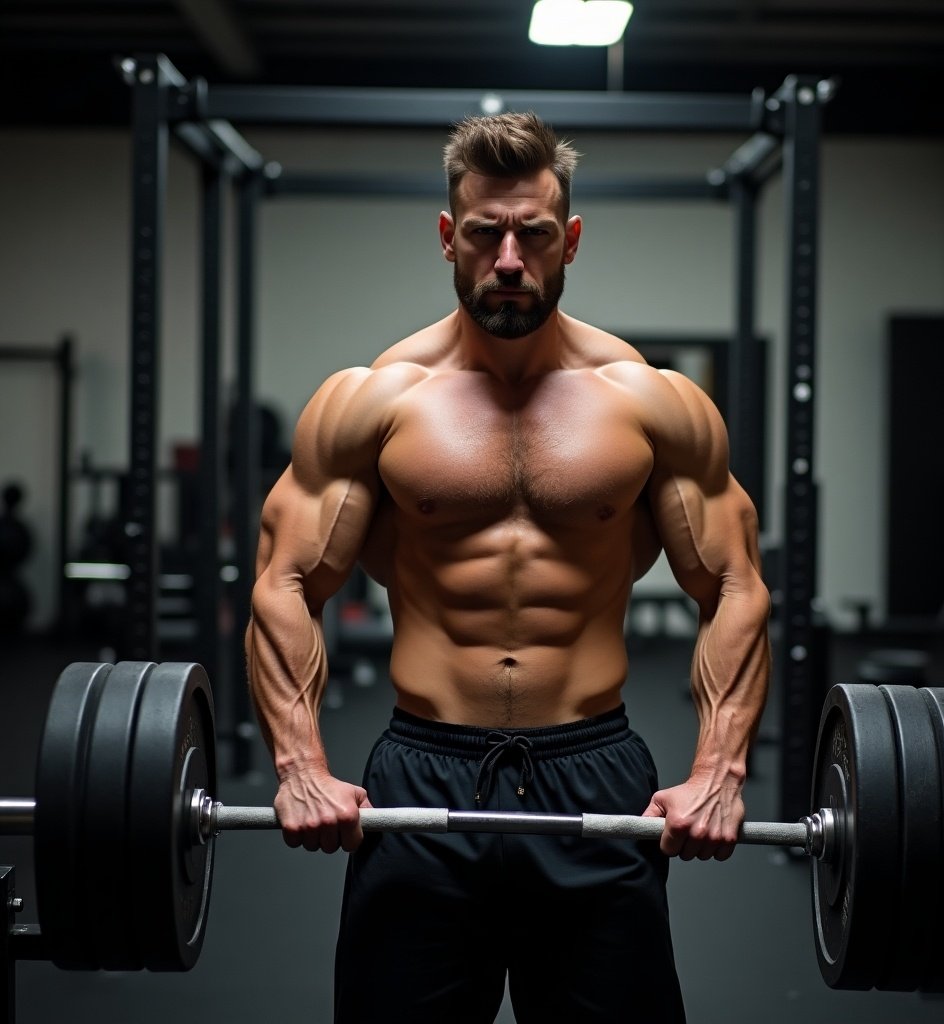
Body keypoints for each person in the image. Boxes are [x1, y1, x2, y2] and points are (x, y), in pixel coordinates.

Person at [246, 111, 771, 1024]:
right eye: (486, 234)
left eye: (533, 234)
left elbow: (735, 584)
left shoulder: (651, 402)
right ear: (449, 238)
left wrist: (719, 769)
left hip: (596, 765)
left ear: (570, 241)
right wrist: (299, 765)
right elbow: (283, 581)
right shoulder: (372, 401)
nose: (510, 259)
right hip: (421, 769)